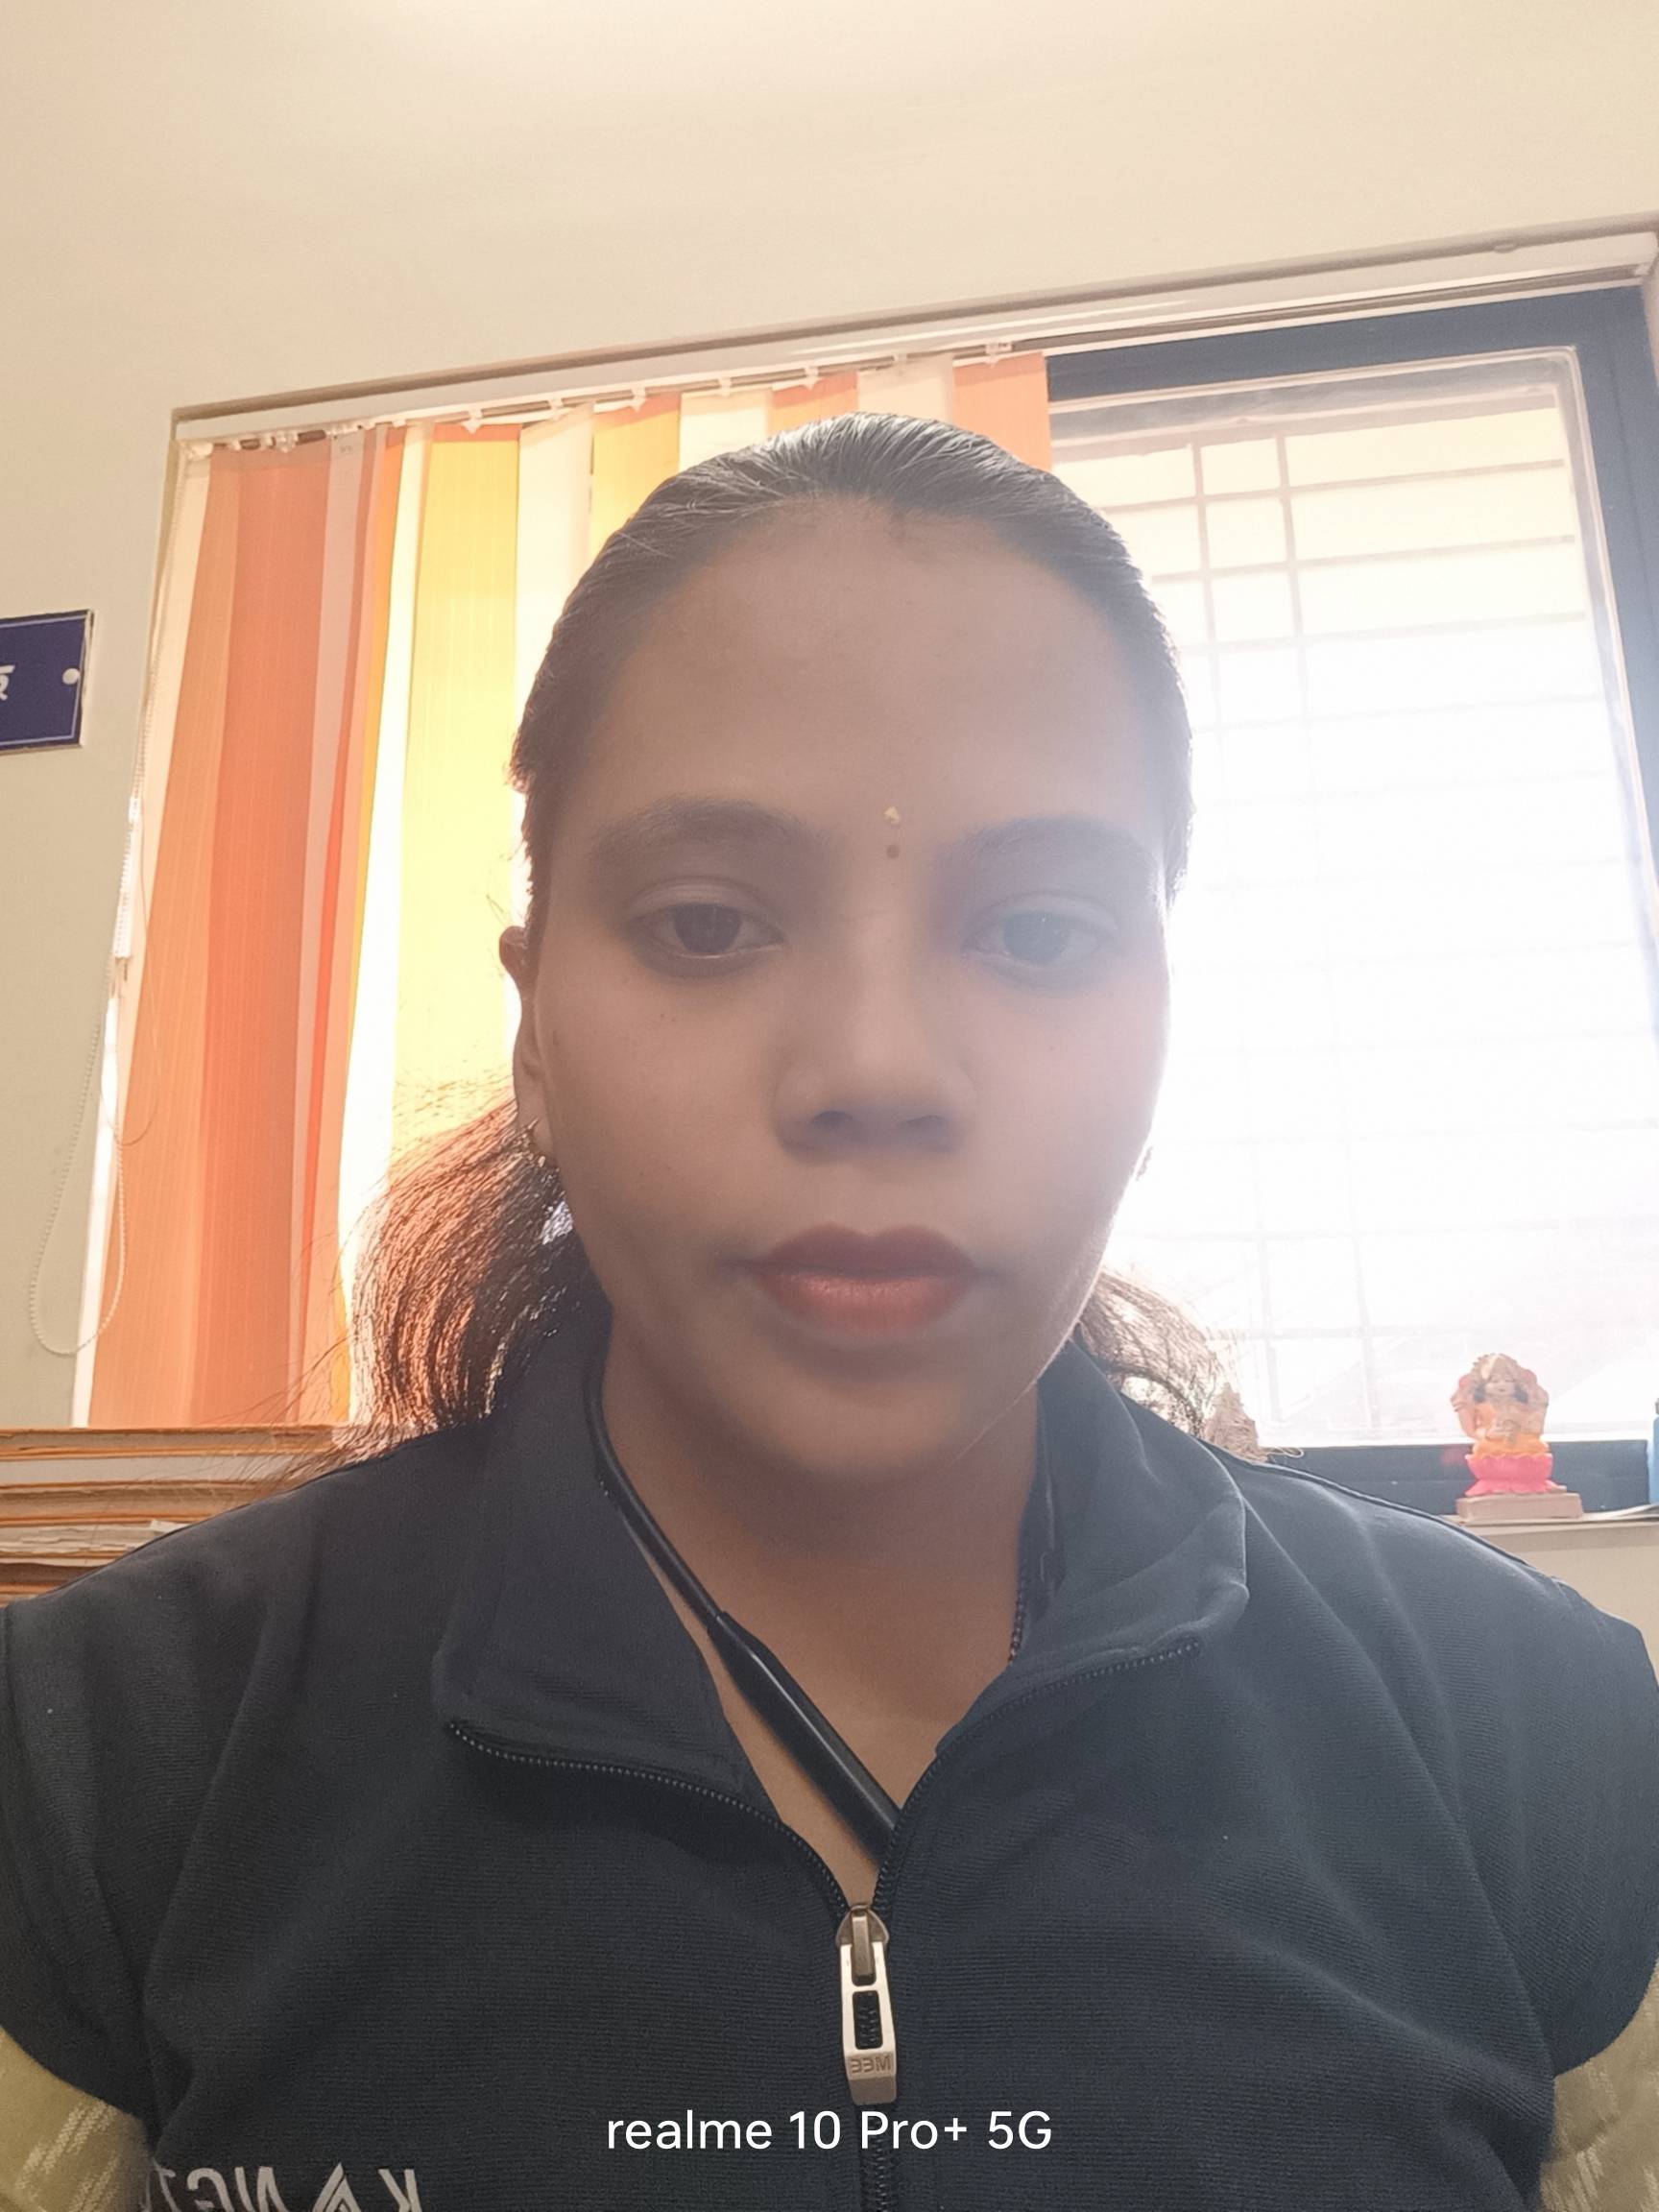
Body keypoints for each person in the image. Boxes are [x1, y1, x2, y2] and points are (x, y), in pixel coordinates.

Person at [2, 411, 1656, 2212]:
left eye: (1038, 933)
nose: (877, 1069)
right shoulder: (103, 1757)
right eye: (708, 925)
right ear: (535, 1029)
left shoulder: (1547, 1734)